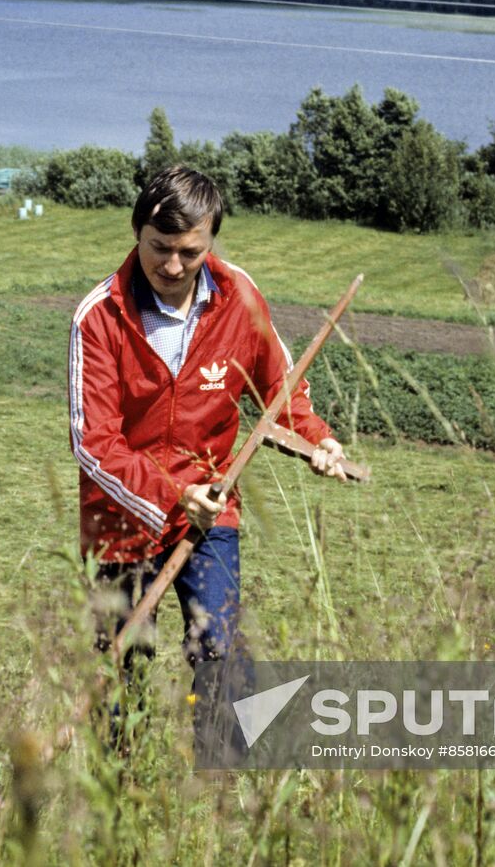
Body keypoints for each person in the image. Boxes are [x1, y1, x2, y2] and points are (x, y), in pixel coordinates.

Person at [68, 166, 347, 756]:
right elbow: (95, 443)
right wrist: (172, 492)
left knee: (220, 648)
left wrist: (316, 438)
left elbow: (280, 392)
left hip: (212, 508)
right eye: (159, 248)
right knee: (125, 663)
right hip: (122, 514)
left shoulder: (239, 297)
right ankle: (122, 790)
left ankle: (221, 785)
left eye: (189, 252)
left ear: (211, 239)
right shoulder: (97, 316)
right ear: (137, 232)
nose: (172, 266)